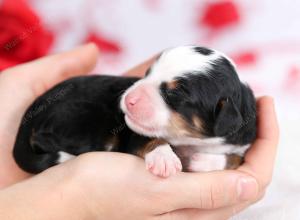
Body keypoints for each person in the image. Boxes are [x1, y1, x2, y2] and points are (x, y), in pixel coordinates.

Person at [0, 43, 279, 220]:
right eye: (149, 75)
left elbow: (233, 157)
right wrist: (76, 198)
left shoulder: (239, 129)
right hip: (74, 112)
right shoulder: (147, 122)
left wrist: (227, 163)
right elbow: (138, 139)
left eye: (171, 95)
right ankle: (50, 148)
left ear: (223, 116)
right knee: (101, 126)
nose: (132, 96)